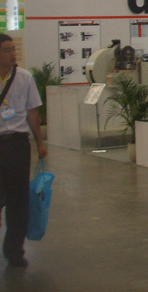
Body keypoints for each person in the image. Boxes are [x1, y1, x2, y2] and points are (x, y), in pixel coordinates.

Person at [0, 34, 48, 268]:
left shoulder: (24, 77)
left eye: (13, 49)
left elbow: (32, 111)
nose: (13, 54)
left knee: (18, 199)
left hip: (17, 143)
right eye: (7, 50)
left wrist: (40, 142)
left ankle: (14, 250)